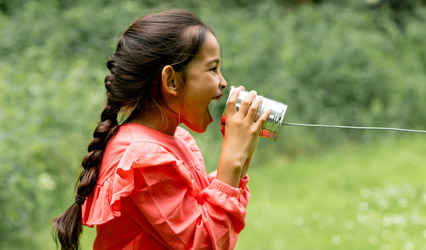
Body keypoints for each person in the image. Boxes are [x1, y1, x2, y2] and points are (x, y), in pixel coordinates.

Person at [53, 9, 270, 250]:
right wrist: (232, 158)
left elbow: (212, 224)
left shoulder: (176, 140)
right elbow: (206, 244)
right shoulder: (144, 159)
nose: (223, 82)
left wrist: (241, 158)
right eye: (212, 69)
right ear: (172, 81)